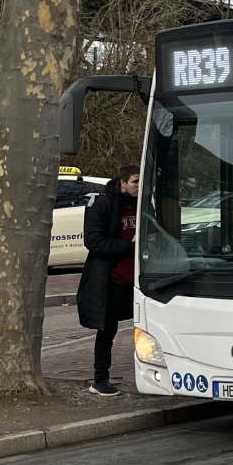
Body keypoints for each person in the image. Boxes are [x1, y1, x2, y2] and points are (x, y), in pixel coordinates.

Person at [77, 164, 139, 397]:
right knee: (107, 330)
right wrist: (128, 247)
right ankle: (100, 379)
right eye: (134, 181)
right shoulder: (103, 204)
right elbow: (93, 242)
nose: (138, 186)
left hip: (138, 281)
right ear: (122, 183)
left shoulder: (142, 204)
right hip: (110, 280)